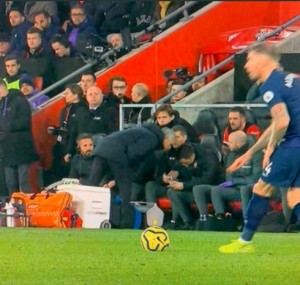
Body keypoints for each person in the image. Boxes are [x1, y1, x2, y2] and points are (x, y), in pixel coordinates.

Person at [219, 43, 300, 253]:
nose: (246, 65)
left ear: (263, 60)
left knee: (261, 188)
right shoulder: (290, 80)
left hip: (294, 144)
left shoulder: (270, 84)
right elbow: (277, 123)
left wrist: (272, 147)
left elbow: (281, 121)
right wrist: (250, 152)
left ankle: (244, 242)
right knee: (296, 195)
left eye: (249, 59)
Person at [86, 124, 175, 229]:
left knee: (91, 187)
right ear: (165, 138)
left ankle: (84, 218)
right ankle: (127, 225)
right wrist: (127, 172)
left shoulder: (143, 131)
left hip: (102, 148)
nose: (169, 147)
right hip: (117, 154)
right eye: (170, 144)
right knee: (126, 193)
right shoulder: (152, 138)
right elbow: (133, 153)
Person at [168, 143, 224, 230]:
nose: (185, 165)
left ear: (192, 156)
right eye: (182, 164)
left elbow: (207, 180)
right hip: (194, 190)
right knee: (172, 192)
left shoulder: (208, 157)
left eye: (186, 163)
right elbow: (189, 174)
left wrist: (184, 185)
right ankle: (188, 222)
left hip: (211, 191)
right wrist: (178, 176)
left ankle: (203, 221)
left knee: (197, 189)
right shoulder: (187, 154)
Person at [210, 131, 262, 220]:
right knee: (216, 190)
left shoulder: (256, 154)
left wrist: (234, 182)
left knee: (244, 189)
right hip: (236, 189)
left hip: (251, 189)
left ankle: (247, 220)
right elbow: (229, 176)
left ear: (237, 143)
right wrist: (230, 183)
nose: (228, 145)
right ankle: (221, 217)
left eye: (230, 142)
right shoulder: (230, 156)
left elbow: (255, 178)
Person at [0, 79, 38, 194]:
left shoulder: (20, 101)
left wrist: (5, 125)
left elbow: (24, 122)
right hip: (6, 149)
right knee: (10, 182)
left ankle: (27, 208)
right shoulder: (1, 104)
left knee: (23, 182)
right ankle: (14, 208)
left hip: (21, 148)